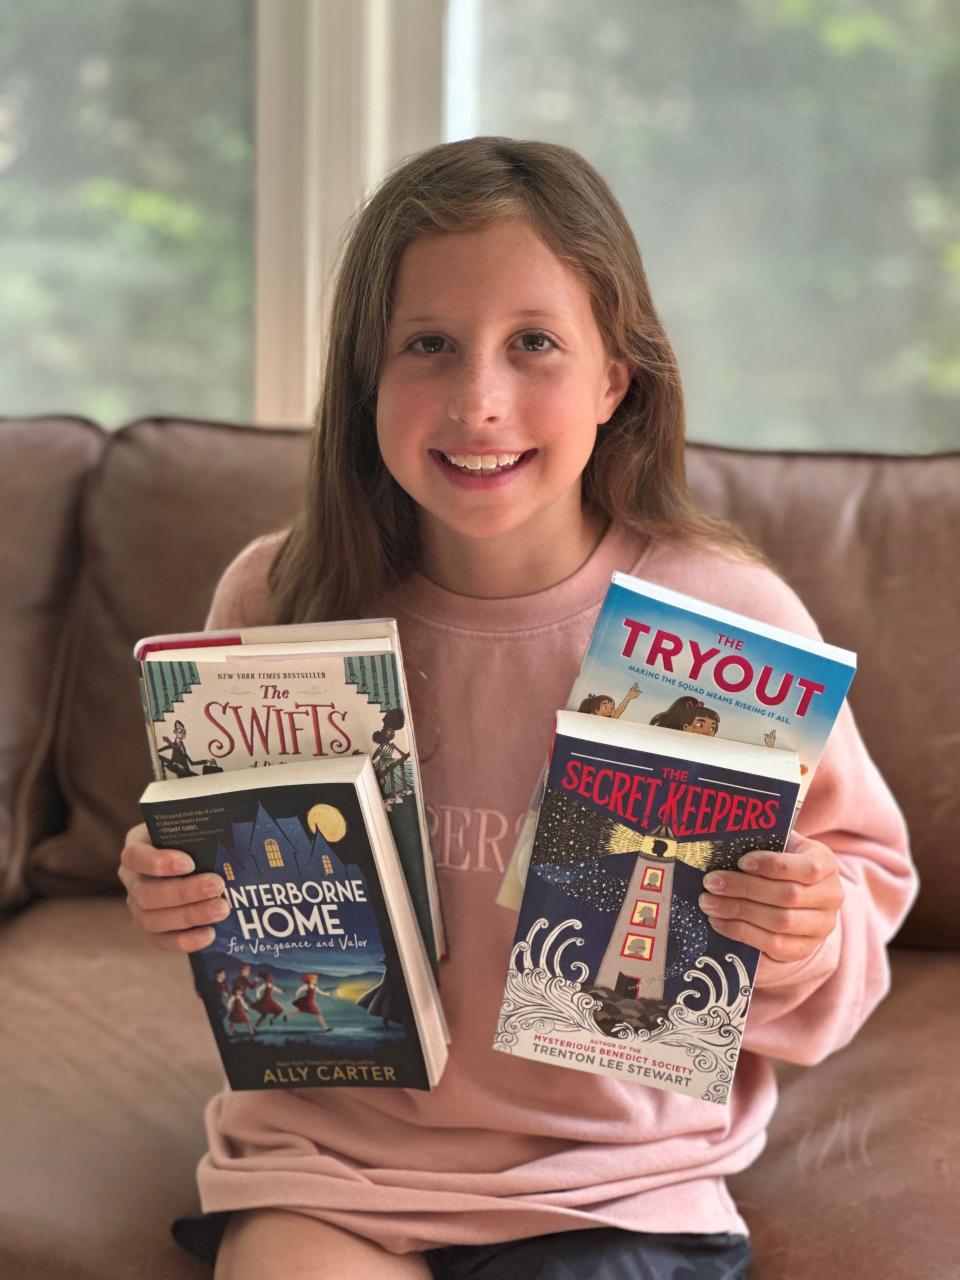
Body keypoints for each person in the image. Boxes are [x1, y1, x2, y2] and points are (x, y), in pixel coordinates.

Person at [117, 137, 917, 1280]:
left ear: (613, 378)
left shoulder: (724, 619)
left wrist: (808, 928)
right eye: (427, 345)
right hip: (331, 1170)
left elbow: (859, 877)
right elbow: (234, 887)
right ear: (367, 382)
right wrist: (172, 882)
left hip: (614, 1181)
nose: (477, 400)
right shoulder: (277, 598)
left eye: (532, 343)